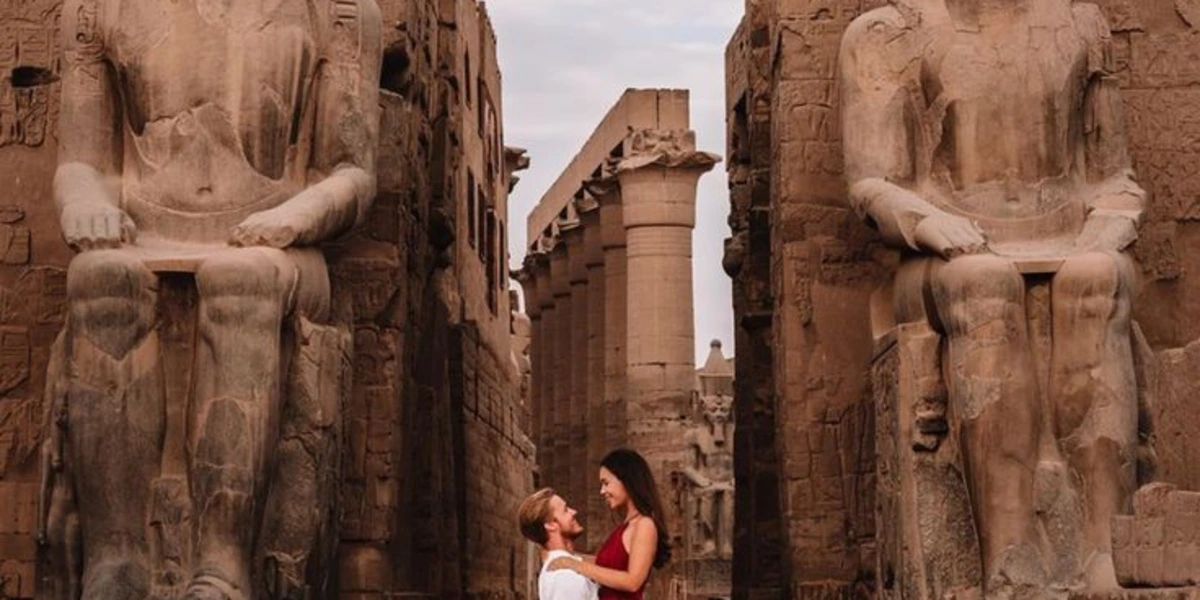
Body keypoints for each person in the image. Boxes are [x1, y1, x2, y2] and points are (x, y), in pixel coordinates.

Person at [549, 449, 670, 600]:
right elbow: (605, 564)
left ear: (627, 480)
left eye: (606, 483)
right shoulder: (625, 526)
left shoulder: (644, 525)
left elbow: (633, 582)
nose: (602, 491)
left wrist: (577, 565)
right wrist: (567, 557)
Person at [518, 488, 599, 600]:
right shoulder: (565, 576)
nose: (574, 511)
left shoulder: (569, 564)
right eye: (565, 510)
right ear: (551, 525)